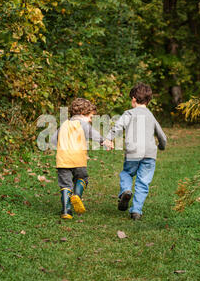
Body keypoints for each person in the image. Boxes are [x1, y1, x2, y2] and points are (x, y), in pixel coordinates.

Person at [105, 83, 167, 220]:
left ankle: (126, 191)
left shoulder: (129, 113)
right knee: (143, 182)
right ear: (149, 100)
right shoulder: (151, 116)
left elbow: (117, 127)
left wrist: (109, 139)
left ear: (133, 99)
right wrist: (162, 146)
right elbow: (162, 135)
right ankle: (136, 211)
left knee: (127, 173)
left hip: (133, 152)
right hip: (150, 154)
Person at [51, 98, 113, 219]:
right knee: (82, 178)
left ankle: (66, 210)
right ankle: (77, 195)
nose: (90, 120)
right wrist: (104, 141)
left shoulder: (64, 125)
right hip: (78, 160)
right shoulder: (83, 124)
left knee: (65, 184)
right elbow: (94, 134)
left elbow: (53, 140)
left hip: (63, 160)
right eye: (90, 117)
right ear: (83, 113)